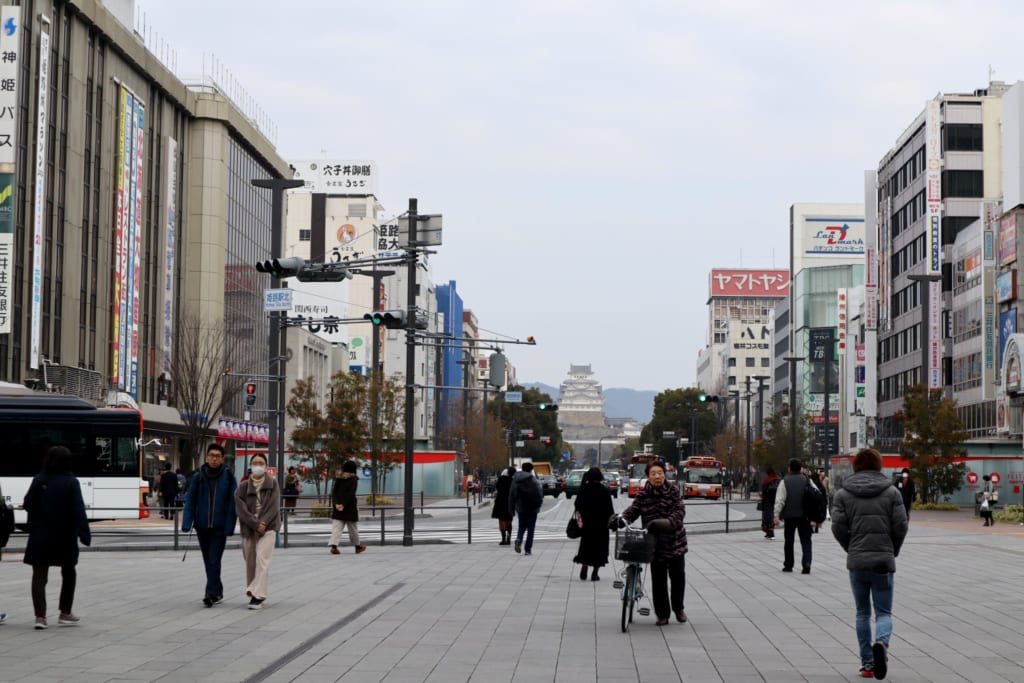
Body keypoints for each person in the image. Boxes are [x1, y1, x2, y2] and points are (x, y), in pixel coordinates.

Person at [831, 448, 908, 680]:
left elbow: (837, 527)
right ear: (878, 465)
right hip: (883, 560)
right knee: (883, 612)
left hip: (857, 559)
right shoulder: (892, 492)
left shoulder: (843, 494)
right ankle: (882, 645)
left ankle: (867, 663)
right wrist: (892, 549)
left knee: (862, 613)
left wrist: (850, 546)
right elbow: (901, 525)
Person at [23, 445, 91, 629]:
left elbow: (28, 503)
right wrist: (84, 533)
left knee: (39, 575)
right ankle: (65, 612)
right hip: (65, 535)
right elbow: (78, 510)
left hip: (40, 534)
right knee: (68, 572)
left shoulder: (39, 479)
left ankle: (40, 617)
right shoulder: (71, 482)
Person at [616, 459, 688, 626]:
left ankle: (678, 608)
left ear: (665, 474)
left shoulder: (673, 491)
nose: (657, 476)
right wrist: (620, 519)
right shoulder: (643, 495)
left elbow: (679, 511)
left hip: (675, 542)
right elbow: (632, 511)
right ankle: (662, 614)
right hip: (654, 545)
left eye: (660, 473)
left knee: (678, 577)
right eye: (653, 474)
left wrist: (667, 523)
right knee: (658, 580)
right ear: (648, 477)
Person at [182, 443, 237, 607]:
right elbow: (191, 500)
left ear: (222, 459)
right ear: (206, 457)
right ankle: (217, 590)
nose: (214, 459)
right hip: (202, 526)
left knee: (214, 559)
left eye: (218, 456)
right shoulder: (199, 476)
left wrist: (229, 527)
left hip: (219, 528)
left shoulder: (228, 477)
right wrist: (187, 522)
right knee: (208, 560)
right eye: (211, 455)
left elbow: (233, 504)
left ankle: (211, 593)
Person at [234, 453, 280, 609]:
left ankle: (257, 595)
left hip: (269, 528)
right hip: (249, 528)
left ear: (266, 466)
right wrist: (255, 523)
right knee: (251, 562)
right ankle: (255, 591)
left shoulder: (273, 484)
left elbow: (274, 507)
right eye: (255, 463)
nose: (258, 465)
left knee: (262, 560)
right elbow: (241, 509)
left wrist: (263, 523)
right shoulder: (243, 487)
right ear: (250, 466)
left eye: (261, 462)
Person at [773, 458, 814, 574]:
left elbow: (780, 500)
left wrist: (776, 515)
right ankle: (806, 564)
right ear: (800, 468)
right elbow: (815, 496)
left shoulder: (784, 481)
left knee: (789, 541)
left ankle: (788, 565)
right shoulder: (807, 480)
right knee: (806, 540)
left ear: (789, 468)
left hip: (789, 516)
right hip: (805, 516)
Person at [573, 467, 614, 581]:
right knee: (600, 548)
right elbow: (610, 510)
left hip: (587, 525)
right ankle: (595, 573)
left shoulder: (583, 489)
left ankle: (584, 566)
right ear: (600, 477)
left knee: (586, 546)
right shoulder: (605, 491)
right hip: (601, 525)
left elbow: (577, 505)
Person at [328, 460, 367, 555]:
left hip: (338, 508)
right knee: (353, 528)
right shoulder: (353, 479)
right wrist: (344, 504)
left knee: (337, 528)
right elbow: (351, 494)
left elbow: (334, 493)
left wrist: (337, 504)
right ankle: (357, 547)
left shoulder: (338, 478)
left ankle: (334, 547)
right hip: (350, 507)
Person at [508, 461, 543, 555]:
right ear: (531, 470)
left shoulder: (516, 479)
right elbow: (540, 493)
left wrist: (511, 509)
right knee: (531, 528)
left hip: (521, 507)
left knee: (522, 526)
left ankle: (519, 539)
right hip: (533, 507)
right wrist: (538, 505)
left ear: (522, 468)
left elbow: (512, 495)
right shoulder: (534, 479)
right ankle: (528, 550)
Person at [491, 466, 516, 546]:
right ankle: (509, 539)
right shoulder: (514, 481)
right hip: (510, 503)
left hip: (500, 502)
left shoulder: (501, 479)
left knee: (502, 521)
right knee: (509, 521)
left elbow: (497, 487)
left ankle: (503, 539)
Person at [759, 466, 780, 540]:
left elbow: (764, 491)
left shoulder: (766, 480)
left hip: (768, 501)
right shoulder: (778, 480)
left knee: (767, 517)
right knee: (772, 516)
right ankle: (769, 533)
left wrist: (762, 497)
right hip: (776, 500)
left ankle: (770, 534)